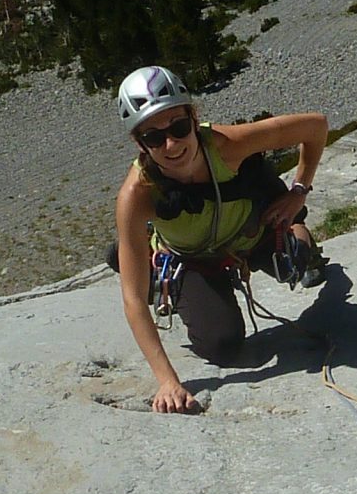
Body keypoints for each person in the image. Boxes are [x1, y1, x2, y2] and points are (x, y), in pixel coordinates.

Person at [110, 64, 328, 413]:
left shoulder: (229, 145)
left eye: (179, 128)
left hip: (249, 234)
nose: (171, 144)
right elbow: (133, 300)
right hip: (191, 259)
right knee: (221, 345)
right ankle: (167, 276)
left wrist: (298, 192)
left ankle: (300, 240)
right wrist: (168, 381)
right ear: (139, 143)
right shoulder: (136, 195)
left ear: (194, 119)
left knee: (295, 261)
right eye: (153, 137)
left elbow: (315, 126)